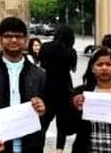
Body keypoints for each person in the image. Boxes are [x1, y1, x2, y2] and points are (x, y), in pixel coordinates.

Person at [0, 16, 48, 153]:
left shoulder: (40, 75)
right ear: (0, 39)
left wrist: (43, 110)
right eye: (8, 36)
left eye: (18, 36)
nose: (13, 40)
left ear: (26, 40)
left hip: (30, 147)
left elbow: (49, 111)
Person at [40, 25, 79, 153]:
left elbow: (42, 65)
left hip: (47, 87)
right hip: (64, 88)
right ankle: (59, 150)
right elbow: (73, 69)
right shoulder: (70, 51)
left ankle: (38, 146)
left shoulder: (45, 47)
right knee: (61, 124)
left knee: (43, 122)